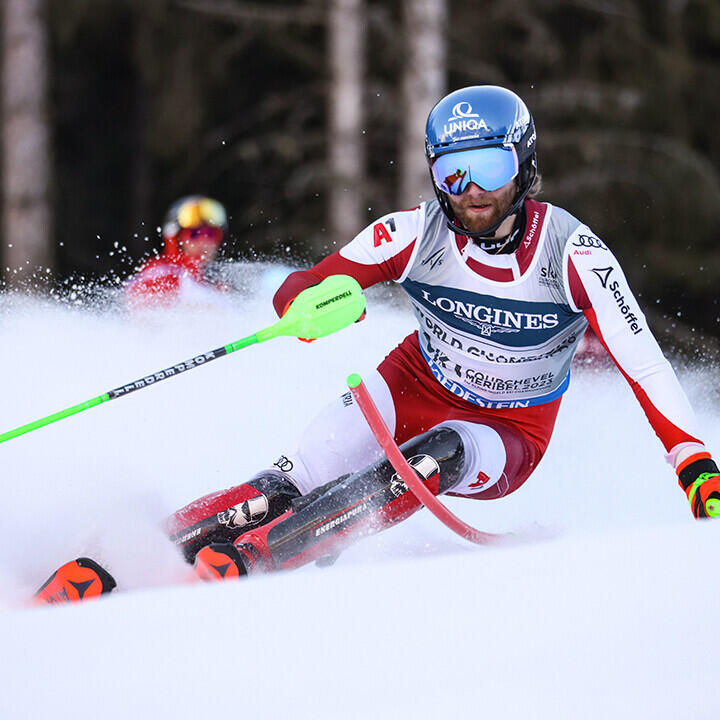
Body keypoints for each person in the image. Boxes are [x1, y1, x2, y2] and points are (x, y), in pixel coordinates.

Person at [36, 85, 720, 603]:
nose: (471, 191)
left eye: (488, 166)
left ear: (524, 163)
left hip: (507, 432)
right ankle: (113, 562)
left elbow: (645, 365)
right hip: (410, 386)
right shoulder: (415, 232)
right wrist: (303, 306)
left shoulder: (574, 253)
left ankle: (254, 561)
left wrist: (694, 465)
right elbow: (313, 280)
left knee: (433, 459)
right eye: (453, 171)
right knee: (283, 484)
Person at [124, 195, 228, 308]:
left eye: (211, 233)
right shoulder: (162, 275)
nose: (204, 241)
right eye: (195, 233)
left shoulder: (216, 282)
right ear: (176, 238)